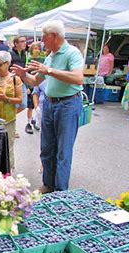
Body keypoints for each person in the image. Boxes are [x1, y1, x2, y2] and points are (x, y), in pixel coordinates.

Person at [11, 20, 84, 193]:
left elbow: (78, 78)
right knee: (46, 149)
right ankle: (48, 184)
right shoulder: (51, 56)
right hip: (50, 104)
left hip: (68, 104)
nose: (42, 41)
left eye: (44, 37)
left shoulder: (72, 53)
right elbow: (36, 81)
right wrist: (23, 75)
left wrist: (49, 70)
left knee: (63, 152)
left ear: (54, 36)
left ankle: (60, 191)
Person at [10, 36, 32, 133]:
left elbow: (24, 71)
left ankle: (8, 118)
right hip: (12, 82)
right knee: (14, 105)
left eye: (25, 41)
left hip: (21, 82)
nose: (24, 43)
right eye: (22, 41)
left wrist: (27, 86)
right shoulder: (10, 54)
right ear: (16, 43)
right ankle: (11, 128)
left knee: (23, 104)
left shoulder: (24, 54)